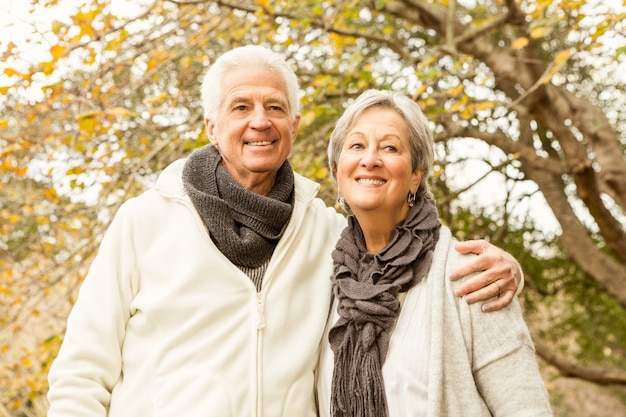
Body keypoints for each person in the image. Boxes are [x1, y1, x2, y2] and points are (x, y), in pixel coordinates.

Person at [47, 45, 523, 417]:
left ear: (293, 126)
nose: (260, 122)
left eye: (274, 107)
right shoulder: (144, 221)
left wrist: (504, 268)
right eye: (241, 107)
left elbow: (402, 250)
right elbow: (82, 370)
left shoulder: (329, 233)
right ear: (211, 126)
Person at [316, 89, 552, 417]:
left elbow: (525, 408)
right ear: (338, 170)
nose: (370, 159)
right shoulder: (325, 275)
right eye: (356, 146)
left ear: (417, 174)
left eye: (389, 147)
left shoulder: (472, 275)